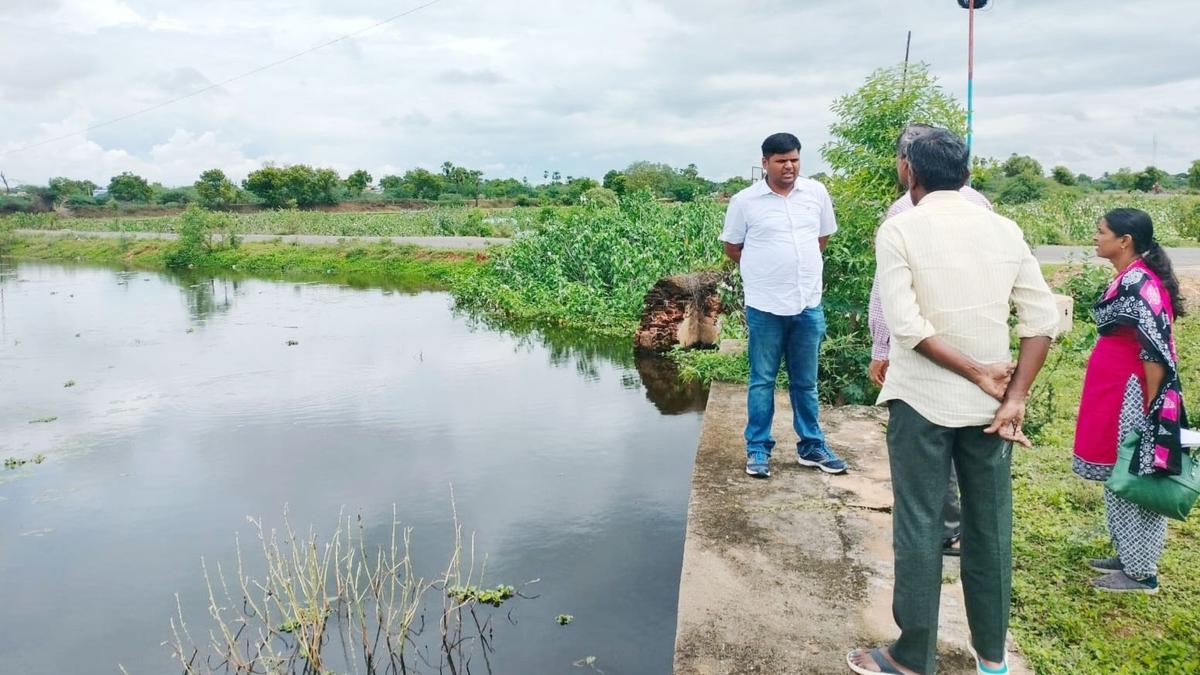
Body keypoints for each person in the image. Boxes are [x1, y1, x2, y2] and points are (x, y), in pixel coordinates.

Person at [848, 128, 1059, 675]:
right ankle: (992, 657)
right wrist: (1011, 396)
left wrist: (974, 372)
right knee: (990, 528)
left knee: (918, 523)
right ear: (966, 174)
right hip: (990, 414)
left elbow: (905, 325)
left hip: (920, 402)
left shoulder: (901, 230)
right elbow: (1042, 320)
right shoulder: (1005, 229)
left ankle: (912, 656)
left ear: (908, 173)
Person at [868, 123, 995, 557]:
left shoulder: (903, 215)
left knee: (925, 445)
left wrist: (880, 349)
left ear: (909, 167)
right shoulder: (983, 207)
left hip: (925, 349)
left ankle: (937, 533)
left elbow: (887, 294)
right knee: (972, 445)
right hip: (980, 349)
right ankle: (965, 532)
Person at [719, 132, 847, 479]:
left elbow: (822, 238)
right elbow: (733, 247)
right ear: (765, 163)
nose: (789, 166)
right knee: (762, 380)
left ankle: (812, 446)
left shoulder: (815, 193)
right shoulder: (745, 201)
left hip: (807, 304)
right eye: (781, 161)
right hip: (765, 307)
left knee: (806, 382)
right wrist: (767, 269)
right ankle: (758, 449)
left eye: (794, 159)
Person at [1072, 208, 1186, 594]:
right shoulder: (1130, 277)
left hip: (1136, 394)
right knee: (1121, 473)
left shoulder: (1140, 283)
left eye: (1101, 231)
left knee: (1139, 476)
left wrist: (1154, 412)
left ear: (1125, 241)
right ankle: (1128, 553)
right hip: (1117, 390)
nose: (1095, 237)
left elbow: (1155, 351)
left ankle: (1142, 571)